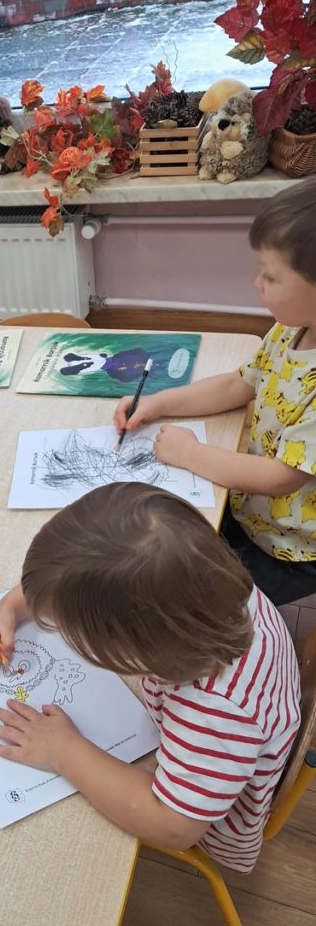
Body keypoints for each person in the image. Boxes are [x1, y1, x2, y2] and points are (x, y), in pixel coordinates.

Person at [0, 482, 301, 873]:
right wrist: (9, 609)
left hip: (207, 816)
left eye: (68, 630)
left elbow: (173, 826)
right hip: (216, 753)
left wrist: (62, 750)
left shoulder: (215, 713)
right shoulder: (199, 581)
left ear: (138, 649)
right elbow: (84, 578)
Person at [114, 177, 316, 606]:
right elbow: (236, 384)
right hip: (248, 510)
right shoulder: (291, 330)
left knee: (195, 601)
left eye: (271, 276)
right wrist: (156, 403)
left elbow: (281, 477)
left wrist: (190, 454)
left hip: (291, 550)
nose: (257, 283)